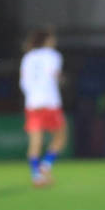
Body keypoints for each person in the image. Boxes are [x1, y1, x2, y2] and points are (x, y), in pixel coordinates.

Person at [20, 29, 66, 186]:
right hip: (50, 101)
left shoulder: (28, 57)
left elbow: (23, 82)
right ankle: (46, 166)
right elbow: (55, 76)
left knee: (35, 142)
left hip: (32, 103)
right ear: (47, 40)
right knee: (60, 137)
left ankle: (36, 175)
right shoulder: (54, 55)